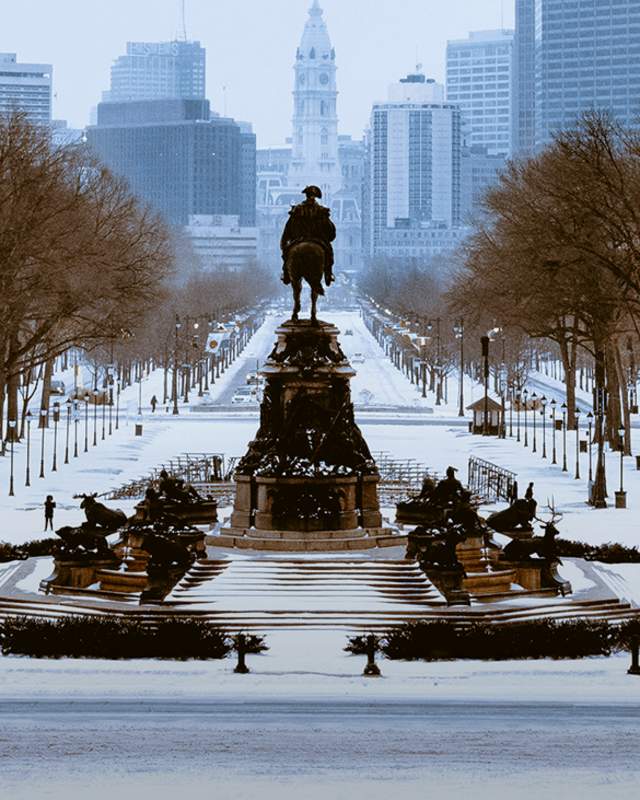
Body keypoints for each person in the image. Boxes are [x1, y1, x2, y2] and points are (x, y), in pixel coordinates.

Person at [280, 186, 336, 287]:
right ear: (315, 197)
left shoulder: (296, 210)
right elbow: (331, 232)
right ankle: (328, 274)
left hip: (298, 240)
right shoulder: (321, 211)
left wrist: (284, 245)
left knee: (287, 254)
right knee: (329, 254)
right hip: (318, 240)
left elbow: (287, 230)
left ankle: (286, 274)